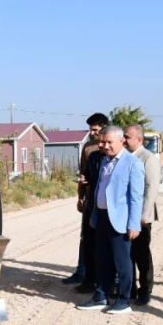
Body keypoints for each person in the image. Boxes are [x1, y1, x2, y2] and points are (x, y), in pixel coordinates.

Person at [76, 126, 145, 314]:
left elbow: (136, 197)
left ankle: (124, 300)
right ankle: (100, 296)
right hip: (103, 218)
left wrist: (133, 224)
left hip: (121, 221)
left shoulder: (133, 163)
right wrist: (95, 215)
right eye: (102, 142)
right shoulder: (104, 161)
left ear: (121, 141)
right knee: (102, 260)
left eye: (108, 142)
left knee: (122, 262)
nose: (104, 145)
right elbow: (99, 190)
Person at [63, 112, 109, 288]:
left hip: (104, 200)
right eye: (90, 130)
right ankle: (82, 273)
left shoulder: (114, 147)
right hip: (90, 198)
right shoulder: (88, 148)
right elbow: (83, 172)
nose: (92, 133)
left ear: (104, 128)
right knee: (86, 238)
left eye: (95, 130)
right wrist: (80, 197)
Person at [123, 124, 160, 305]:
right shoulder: (123, 157)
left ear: (138, 139)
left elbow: (151, 188)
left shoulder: (147, 158)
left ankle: (145, 289)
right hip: (124, 215)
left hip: (141, 218)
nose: (124, 140)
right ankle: (129, 289)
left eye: (127, 137)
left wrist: (142, 215)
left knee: (141, 254)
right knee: (126, 254)